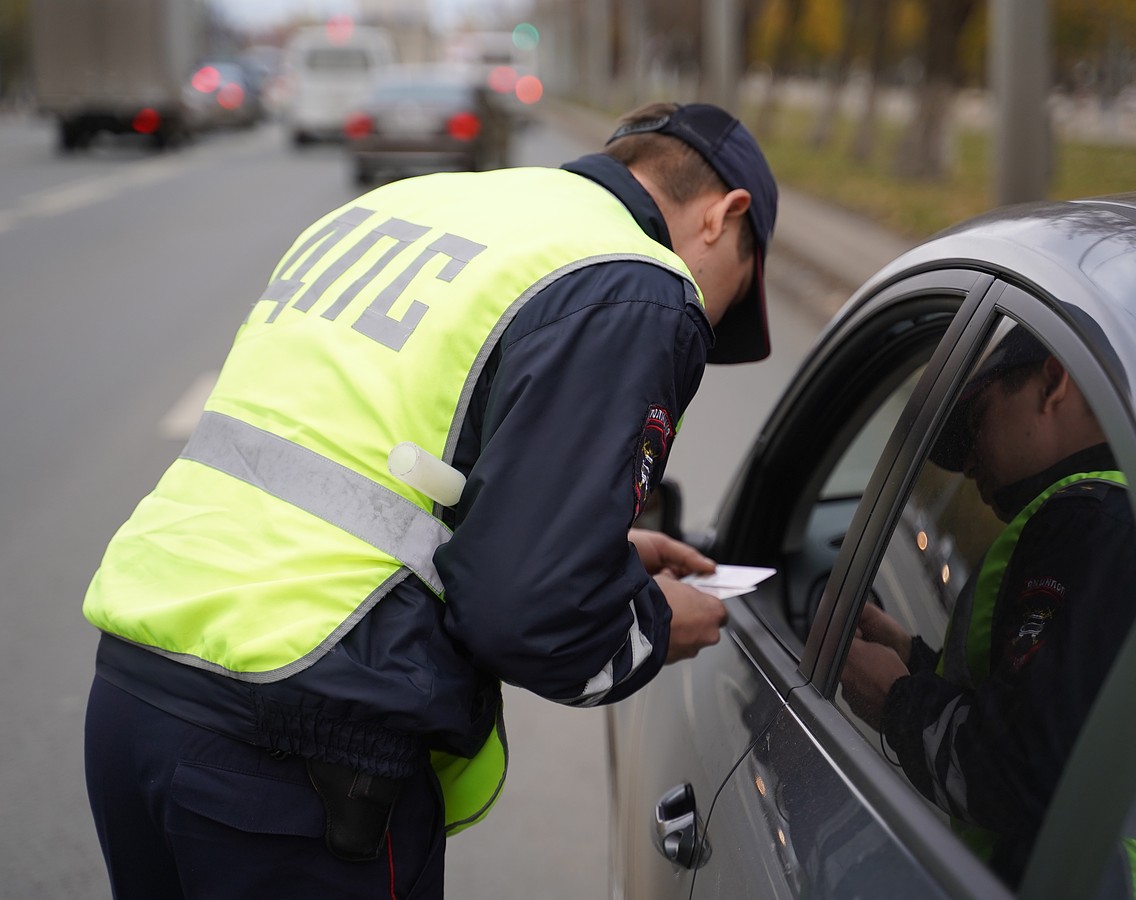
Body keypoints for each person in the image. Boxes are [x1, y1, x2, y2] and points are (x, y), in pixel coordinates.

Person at [80, 101, 777, 899]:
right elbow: (530, 614)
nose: (713, 319)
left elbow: (387, 465)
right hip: (299, 753)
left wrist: (602, 557)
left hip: (137, 688)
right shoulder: (636, 283)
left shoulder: (410, 207)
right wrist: (652, 625)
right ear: (727, 217)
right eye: (738, 296)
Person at [839, 326, 1136, 894]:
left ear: (1054, 382)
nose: (968, 464)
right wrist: (913, 659)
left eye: (977, 422)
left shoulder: (1090, 523)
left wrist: (896, 703)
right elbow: (1057, 718)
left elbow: (1020, 769)